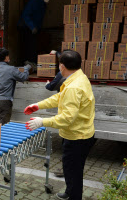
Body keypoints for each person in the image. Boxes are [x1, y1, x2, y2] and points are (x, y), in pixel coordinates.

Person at [24, 50, 95, 200]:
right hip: (79, 133)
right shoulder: (79, 78)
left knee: (73, 171)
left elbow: (66, 119)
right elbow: (60, 97)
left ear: (62, 66)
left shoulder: (73, 87)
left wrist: (42, 121)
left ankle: (73, 196)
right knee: (71, 169)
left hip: (76, 136)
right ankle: (69, 192)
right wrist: (38, 105)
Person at [0, 48, 31, 125]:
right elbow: (23, 77)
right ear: (6, 57)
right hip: (5, 101)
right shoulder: (11, 69)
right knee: (4, 126)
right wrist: (26, 69)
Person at [17, 0, 54, 67]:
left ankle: (31, 64)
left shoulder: (43, 4)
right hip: (26, 27)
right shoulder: (34, 2)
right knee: (29, 46)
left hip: (34, 28)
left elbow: (39, 18)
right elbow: (26, 15)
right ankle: (27, 64)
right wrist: (32, 27)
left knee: (33, 46)